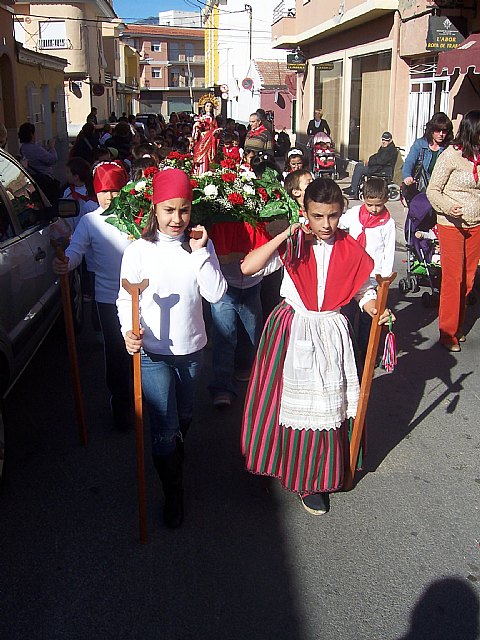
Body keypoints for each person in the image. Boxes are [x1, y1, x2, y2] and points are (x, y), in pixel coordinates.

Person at [240, 177, 394, 515]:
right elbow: (249, 267)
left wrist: (374, 307)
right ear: (305, 212)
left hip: (331, 330)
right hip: (292, 326)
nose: (326, 224)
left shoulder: (350, 246)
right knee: (279, 401)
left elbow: (364, 288)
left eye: (334, 216)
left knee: (328, 404)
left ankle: (313, 477)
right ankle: (274, 460)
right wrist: (285, 235)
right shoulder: (295, 244)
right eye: (318, 216)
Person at [117, 169, 227, 528]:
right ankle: (173, 492)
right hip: (151, 352)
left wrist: (199, 254)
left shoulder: (199, 245)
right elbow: (125, 298)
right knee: (164, 423)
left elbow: (215, 293)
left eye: (183, 209)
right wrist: (128, 331)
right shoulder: (137, 250)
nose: (177, 219)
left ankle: (173, 452)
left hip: (190, 349)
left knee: (184, 414)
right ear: (155, 208)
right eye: (168, 210)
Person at [52, 161, 133, 430]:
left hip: (141, 297)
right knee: (117, 354)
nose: (109, 196)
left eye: (115, 190)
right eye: (104, 190)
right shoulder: (89, 221)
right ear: (95, 191)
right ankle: (121, 405)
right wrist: (66, 262)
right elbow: (76, 251)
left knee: (144, 353)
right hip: (108, 298)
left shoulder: (137, 217)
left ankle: (149, 401)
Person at [426, 110, 480, 352]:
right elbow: (432, 190)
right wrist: (449, 207)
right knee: (453, 279)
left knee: (468, 280)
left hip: (476, 224)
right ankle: (447, 332)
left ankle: (458, 324)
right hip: (451, 224)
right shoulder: (450, 156)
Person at [340, 177, 396, 356]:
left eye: (378, 205)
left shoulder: (387, 223)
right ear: (363, 198)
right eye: (370, 205)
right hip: (352, 272)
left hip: (373, 274)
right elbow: (340, 224)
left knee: (368, 316)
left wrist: (384, 278)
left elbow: (389, 250)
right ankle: (347, 348)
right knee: (347, 312)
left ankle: (364, 352)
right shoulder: (355, 213)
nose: (374, 209)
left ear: (385, 200)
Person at [402, 112, 453, 201]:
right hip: (421, 190)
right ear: (431, 130)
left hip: (441, 192)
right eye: (437, 130)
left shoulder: (449, 148)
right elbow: (409, 162)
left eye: (444, 131)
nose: (441, 134)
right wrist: (407, 175)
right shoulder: (420, 144)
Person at [342, 132, 398, 198]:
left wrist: (370, 162)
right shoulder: (384, 148)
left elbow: (381, 161)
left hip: (382, 169)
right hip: (378, 166)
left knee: (360, 169)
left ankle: (353, 189)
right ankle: (353, 186)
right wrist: (370, 160)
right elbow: (377, 156)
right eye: (383, 139)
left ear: (390, 140)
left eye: (386, 140)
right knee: (359, 165)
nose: (384, 141)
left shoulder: (390, 150)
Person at [18, 122, 59, 203]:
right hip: (45, 180)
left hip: (35, 179)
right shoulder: (34, 149)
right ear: (31, 134)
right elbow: (52, 159)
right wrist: (52, 147)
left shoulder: (23, 148)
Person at [192, 99, 221, 174]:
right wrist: (197, 127)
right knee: (201, 155)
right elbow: (197, 127)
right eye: (207, 106)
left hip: (211, 140)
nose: (209, 108)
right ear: (204, 107)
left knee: (209, 157)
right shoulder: (202, 117)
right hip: (203, 139)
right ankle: (200, 171)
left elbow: (215, 128)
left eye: (211, 106)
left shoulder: (213, 119)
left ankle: (208, 172)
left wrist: (216, 132)